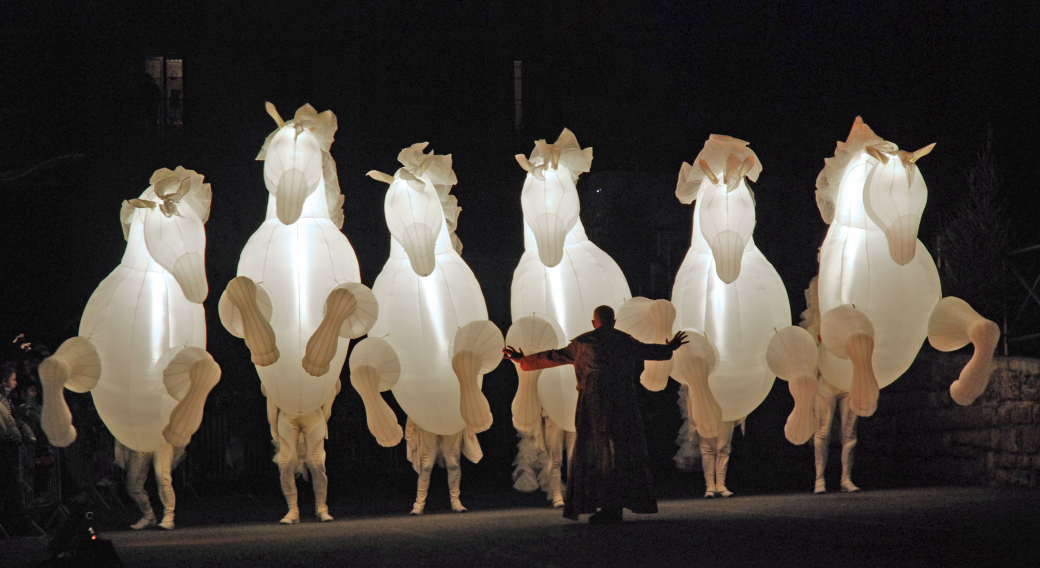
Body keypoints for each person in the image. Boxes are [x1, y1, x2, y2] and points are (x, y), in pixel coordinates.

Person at [504, 305, 687, 524]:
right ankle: (614, 506)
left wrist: (523, 360)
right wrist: (670, 347)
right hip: (622, 405)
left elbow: (553, 357)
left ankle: (606, 505)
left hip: (593, 406)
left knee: (595, 453)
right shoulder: (624, 340)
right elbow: (650, 351)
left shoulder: (582, 343)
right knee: (619, 452)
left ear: (593, 323)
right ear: (614, 322)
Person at [405, 418, 482, 515]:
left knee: (453, 463)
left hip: (450, 417)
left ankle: (455, 501)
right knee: (426, 465)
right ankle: (419, 504)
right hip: (428, 418)